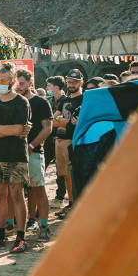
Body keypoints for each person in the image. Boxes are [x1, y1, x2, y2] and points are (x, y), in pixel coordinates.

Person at [0, 63, 32, 253]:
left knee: (17, 195)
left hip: (17, 155)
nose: (0, 83)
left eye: (4, 80)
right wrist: (7, 130)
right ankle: (0, 235)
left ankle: (21, 237)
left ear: (12, 81)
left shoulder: (21, 102)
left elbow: (19, 129)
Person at [15, 69, 54, 242]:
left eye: (22, 83)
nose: (19, 86)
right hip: (13, 153)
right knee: (14, 190)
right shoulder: (12, 101)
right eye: (16, 83)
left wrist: (31, 146)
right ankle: (15, 225)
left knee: (38, 189)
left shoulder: (41, 102)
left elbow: (48, 128)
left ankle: (44, 226)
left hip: (34, 152)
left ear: (30, 83)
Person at [53, 69, 84, 215]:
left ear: (81, 82)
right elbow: (53, 120)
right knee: (64, 174)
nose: (71, 84)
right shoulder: (64, 100)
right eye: (69, 81)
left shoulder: (83, 99)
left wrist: (61, 120)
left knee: (73, 173)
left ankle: (75, 204)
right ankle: (70, 202)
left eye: (74, 82)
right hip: (59, 139)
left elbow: (78, 123)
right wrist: (66, 121)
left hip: (72, 140)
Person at [44, 75, 66, 203]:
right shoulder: (47, 101)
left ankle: (60, 196)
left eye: (49, 86)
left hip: (61, 138)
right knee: (43, 165)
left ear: (56, 87)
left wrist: (54, 121)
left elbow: (63, 121)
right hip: (48, 138)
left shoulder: (66, 101)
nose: (47, 88)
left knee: (60, 170)